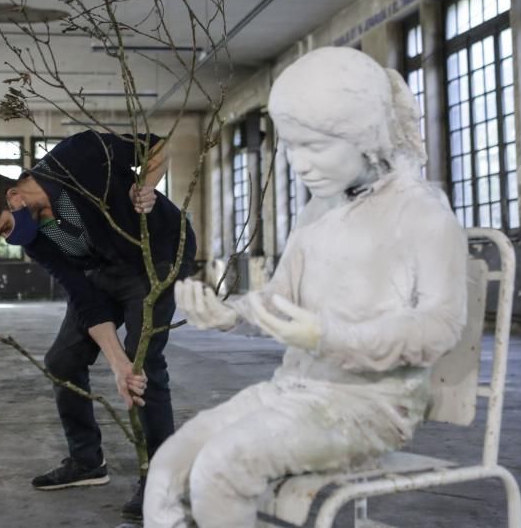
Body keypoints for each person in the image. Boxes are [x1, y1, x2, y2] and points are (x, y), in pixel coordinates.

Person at [143, 47, 468, 527]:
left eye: (314, 146)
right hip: (294, 390)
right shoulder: (319, 210)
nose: (299, 163)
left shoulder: (421, 213)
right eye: (291, 146)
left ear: (365, 136)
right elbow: (280, 298)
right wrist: (232, 313)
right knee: (169, 467)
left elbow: (440, 326)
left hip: (372, 406)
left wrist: (327, 337)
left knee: (222, 467)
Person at [0, 130, 196, 522]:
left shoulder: (77, 155)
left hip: (158, 254)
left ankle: (160, 476)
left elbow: (158, 146)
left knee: (143, 361)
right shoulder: (36, 237)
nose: (7, 239)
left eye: (2, 228)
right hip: (104, 270)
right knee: (63, 360)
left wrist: (147, 188)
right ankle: (87, 461)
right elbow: (84, 296)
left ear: (13, 198)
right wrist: (114, 361)